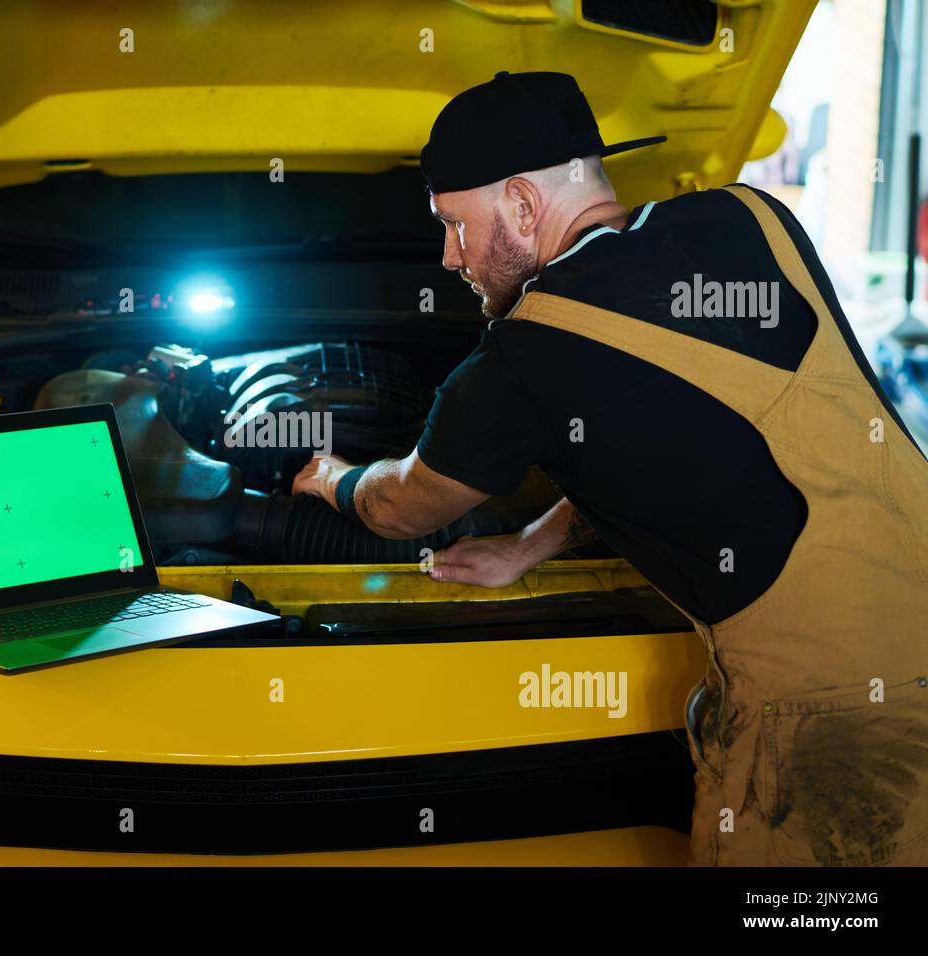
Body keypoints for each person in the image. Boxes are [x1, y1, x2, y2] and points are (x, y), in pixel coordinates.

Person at [292, 71, 928, 866]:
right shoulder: (753, 217)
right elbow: (691, 431)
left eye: (453, 224)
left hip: (837, 731)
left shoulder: (523, 357)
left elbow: (402, 509)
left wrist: (332, 479)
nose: (448, 256)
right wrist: (533, 542)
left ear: (523, 205)